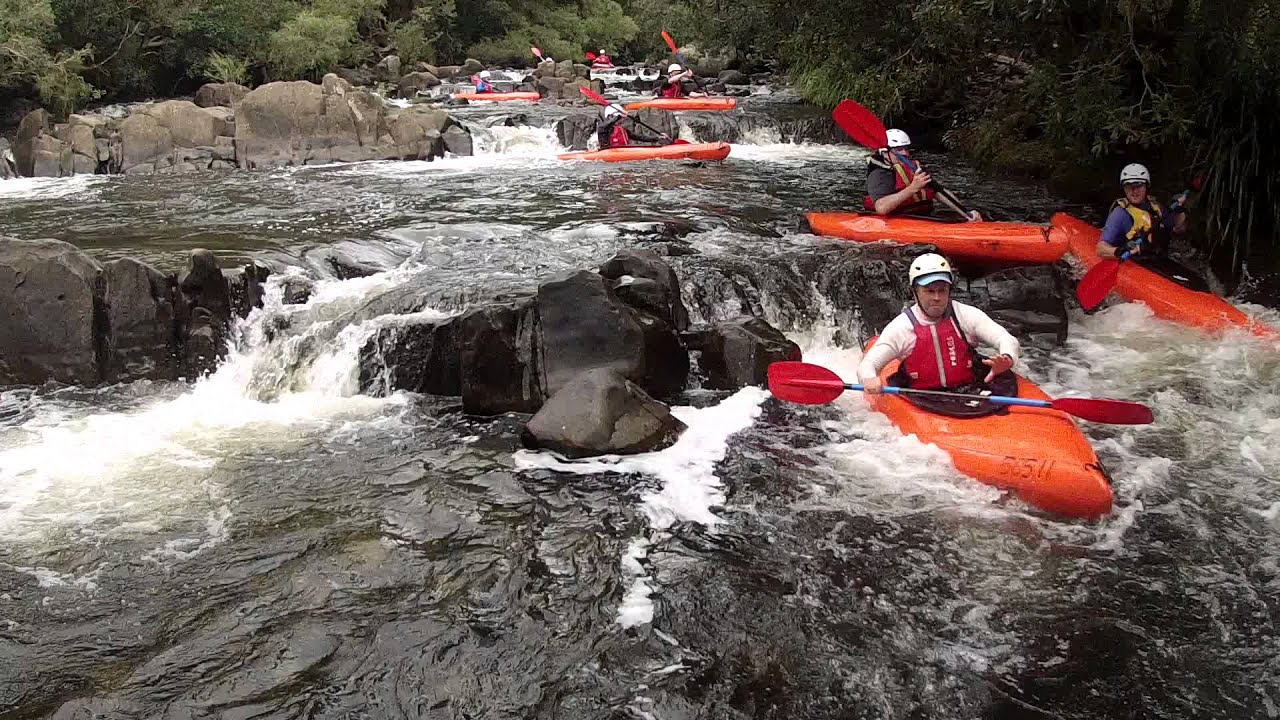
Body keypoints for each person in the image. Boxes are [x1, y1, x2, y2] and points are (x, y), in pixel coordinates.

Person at [859, 253, 1018, 394]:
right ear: (915, 292)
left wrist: (1007, 357)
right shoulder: (902, 328)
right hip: (921, 396)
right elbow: (868, 364)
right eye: (929, 291)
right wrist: (869, 378)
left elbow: (1006, 339)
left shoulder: (966, 315)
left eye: (942, 290)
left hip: (969, 389)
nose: (937, 297)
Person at [1094, 163, 1204, 289]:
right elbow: (1100, 249)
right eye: (1129, 186)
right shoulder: (1120, 214)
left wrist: (1179, 210)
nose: (1134, 191)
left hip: (1160, 261)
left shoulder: (1157, 208)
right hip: (1133, 263)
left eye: (1138, 186)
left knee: (1199, 284)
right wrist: (1119, 251)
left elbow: (1179, 228)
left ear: (1146, 186)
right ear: (1124, 188)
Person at [864, 129, 982, 221]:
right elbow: (881, 208)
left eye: (906, 148)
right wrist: (913, 188)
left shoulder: (914, 167)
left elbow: (938, 191)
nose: (905, 153)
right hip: (894, 221)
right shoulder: (878, 173)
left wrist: (965, 213)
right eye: (899, 149)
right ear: (885, 153)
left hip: (922, 217)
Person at [596, 105, 670, 148]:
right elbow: (604, 126)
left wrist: (658, 138)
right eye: (619, 118)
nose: (622, 120)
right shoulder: (603, 130)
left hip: (623, 154)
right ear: (610, 116)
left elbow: (640, 137)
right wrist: (619, 116)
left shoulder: (623, 130)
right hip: (609, 154)